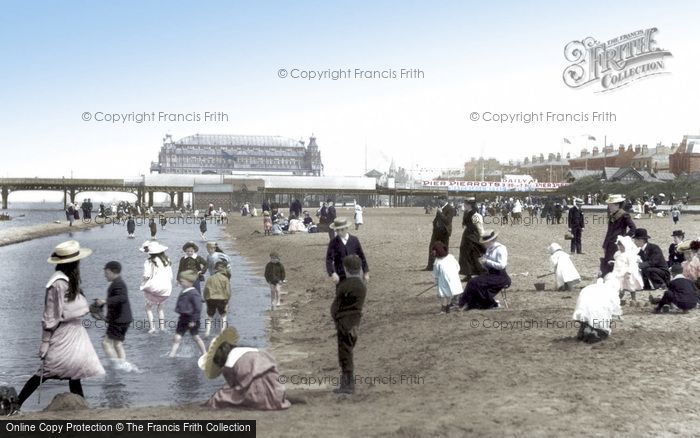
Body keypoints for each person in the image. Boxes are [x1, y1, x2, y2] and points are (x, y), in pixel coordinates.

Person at [16, 240, 105, 409]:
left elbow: (73, 308)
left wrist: (93, 307)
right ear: (73, 263)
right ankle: (17, 404)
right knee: (47, 370)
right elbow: (50, 315)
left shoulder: (68, 281)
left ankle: (83, 407)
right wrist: (45, 342)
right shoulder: (57, 284)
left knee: (75, 372)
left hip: (75, 333)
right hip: (64, 334)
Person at [198, 327, 291, 409]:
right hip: (277, 389)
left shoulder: (228, 365)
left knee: (220, 396)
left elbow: (232, 386)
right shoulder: (249, 350)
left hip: (259, 395)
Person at [331, 255, 367, 394]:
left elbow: (335, 307)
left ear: (346, 269)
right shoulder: (362, 285)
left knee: (344, 354)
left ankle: (348, 385)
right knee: (348, 351)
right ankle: (347, 383)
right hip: (355, 322)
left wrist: (335, 319)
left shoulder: (344, 285)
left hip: (343, 322)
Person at [459, 230, 511, 310]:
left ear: (491, 241)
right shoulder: (489, 249)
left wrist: (487, 261)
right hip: (491, 274)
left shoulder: (501, 249)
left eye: (485, 242)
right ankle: (466, 303)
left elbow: (502, 265)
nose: (484, 244)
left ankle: (467, 303)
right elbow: (488, 267)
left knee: (475, 282)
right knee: (473, 281)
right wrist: (483, 263)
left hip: (500, 276)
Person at [97, 261, 133, 366]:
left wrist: (105, 301)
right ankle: (123, 364)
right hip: (124, 319)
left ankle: (117, 366)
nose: (105, 275)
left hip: (118, 320)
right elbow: (119, 299)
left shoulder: (118, 284)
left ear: (111, 272)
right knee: (117, 344)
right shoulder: (119, 283)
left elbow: (122, 298)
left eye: (106, 273)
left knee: (106, 343)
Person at [168, 270, 207, 358]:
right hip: (183, 318)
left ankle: (205, 353)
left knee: (195, 337)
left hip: (192, 319)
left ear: (189, 282)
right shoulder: (184, 291)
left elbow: (198, 308)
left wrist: (194, 320)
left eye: (182, 281)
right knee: (177, 337)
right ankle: (172, 354)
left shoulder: (194, 293)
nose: (180, 282)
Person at [572, 275, 622, 343]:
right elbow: (615, 312)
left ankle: (583, 331)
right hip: (595, 313)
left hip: (580, 311)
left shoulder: (592, 287)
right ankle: (593, 333)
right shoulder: (612, 293)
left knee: (586, 317)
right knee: (602, 332)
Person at [139, 240, 173, 333]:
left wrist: (143, 284)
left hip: (155, 287)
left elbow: (146, 275)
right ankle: (162, 327)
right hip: (166, 288)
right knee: (160, 306)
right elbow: (171, 276)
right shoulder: (167, 260)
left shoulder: (149, 261)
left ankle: (152, 328)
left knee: (148, 307)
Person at [326, 218, 370, 286]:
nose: (340, 232)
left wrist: (366, 272)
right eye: (337, 230)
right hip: (340, 275)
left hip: (355, 274)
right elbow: (329, 259)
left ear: (347, 228)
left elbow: (362, 256)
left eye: (342, 230)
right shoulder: (333, 242)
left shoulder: (354, 240)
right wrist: (333, 273)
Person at [600, 194, 636, 276]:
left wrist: (624, 239)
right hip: (610, 243)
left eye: (611, 205)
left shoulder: (624, 215)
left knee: (616, 263)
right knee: (607, 262)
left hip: (618, 244)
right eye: (609, 205)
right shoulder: (612, 215)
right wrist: (605, 244)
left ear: (617, 205)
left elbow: (633, 228)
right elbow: (609, 231)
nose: (609, 207)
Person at [424, 195, 457, 271]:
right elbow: (436, 219)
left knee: (444, 248)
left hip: (444, 231)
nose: (439, 201)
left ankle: (444, 265)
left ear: (444, 200)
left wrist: (441, 213)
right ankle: (430, 266)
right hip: (436, 231)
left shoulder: (450, 208)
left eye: (440, 200)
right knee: (432, 247)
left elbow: (447, 221)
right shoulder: (440, 208)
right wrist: (434, 224)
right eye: (438, 200)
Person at [458, 197, 485, 281]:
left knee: (473, 255)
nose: (464, 205)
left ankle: (481, 272)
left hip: (473, 237)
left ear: (470, 205)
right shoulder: (467, 213)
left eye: (465, 204)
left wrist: (483, 237)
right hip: (467, 236)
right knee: (465, 255)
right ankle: (468, 273)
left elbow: (479, 227)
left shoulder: (475, 215)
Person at [431, 241, 462, 314]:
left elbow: (436, 273)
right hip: (453, 279)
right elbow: (458, 267)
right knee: (449, 294)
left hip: (444, 281)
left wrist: (436, 280)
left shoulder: (437, 262)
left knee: (444, 295)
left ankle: (443, 310)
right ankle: (448, 308)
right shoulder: (451, 257)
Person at [611, 235, 644, 305]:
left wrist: (629, 272)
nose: (620, 248)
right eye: (619, 246)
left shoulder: (629, 254)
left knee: (631, 285)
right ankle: (618, 299)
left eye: (622, 246)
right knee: (619, 286)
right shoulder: (617, 253)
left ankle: (633, 299)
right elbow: (618, 261)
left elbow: (631, 264)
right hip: (617, 271)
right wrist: (612, 262)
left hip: (626, 272)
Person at [203, 261, 231, 337]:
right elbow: (228, 291)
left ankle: (207, 332)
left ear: (215, 269)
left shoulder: (210, 278)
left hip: (210, 299)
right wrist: (227, 301)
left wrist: (205, 299)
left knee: (209, 316)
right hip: (222, 299)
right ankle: (222, 332)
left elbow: (205, 290)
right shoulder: (225, 279)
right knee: (223, 315)